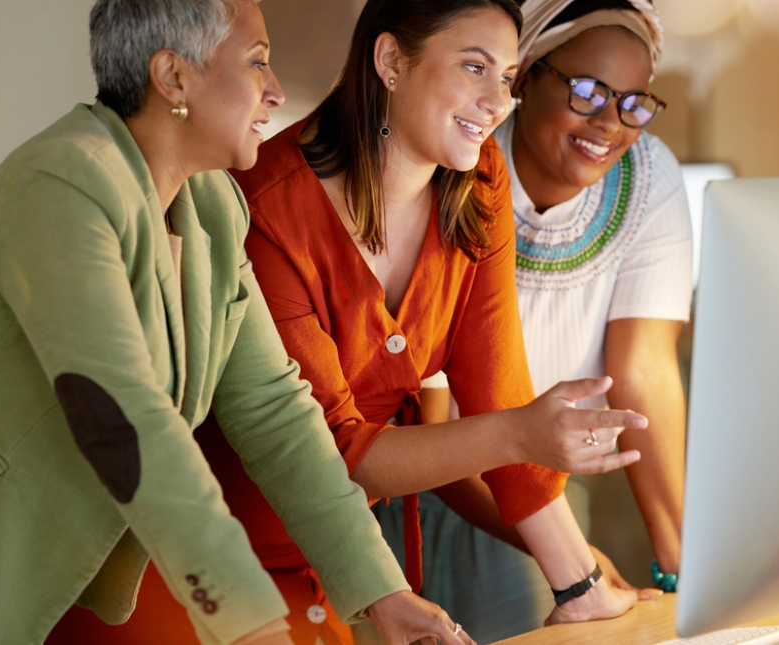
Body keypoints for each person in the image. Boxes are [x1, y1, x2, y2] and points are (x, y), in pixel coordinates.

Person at [0, 1, 471, 644]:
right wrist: (247, 613)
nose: (274, 92)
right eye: (257, 63)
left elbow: (275, 410)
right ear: (173, 77)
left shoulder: (213, 206)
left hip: (5, 581)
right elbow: (124, 413)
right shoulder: (62, 180)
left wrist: (382, 589)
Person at [201, 1, 658, 644]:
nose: (496, 102)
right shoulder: (264, 206)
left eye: (506, 76)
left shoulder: (477, 182)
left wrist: (579, 586)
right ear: (390, 61)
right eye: (474, 67)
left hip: (350, 561)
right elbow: (334, 455)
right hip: (221, 557)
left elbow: (496, 391)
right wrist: (524, 434)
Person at [411, 0, 693, 640]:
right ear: (527, 75)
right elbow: (432, 419)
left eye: (634, 103)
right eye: (589, 91)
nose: (610, 123)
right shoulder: (458, 168)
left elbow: (644, 369)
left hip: (546, 489)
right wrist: (572, 562)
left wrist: (681, 559)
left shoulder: (649, 178)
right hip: (434, 484)